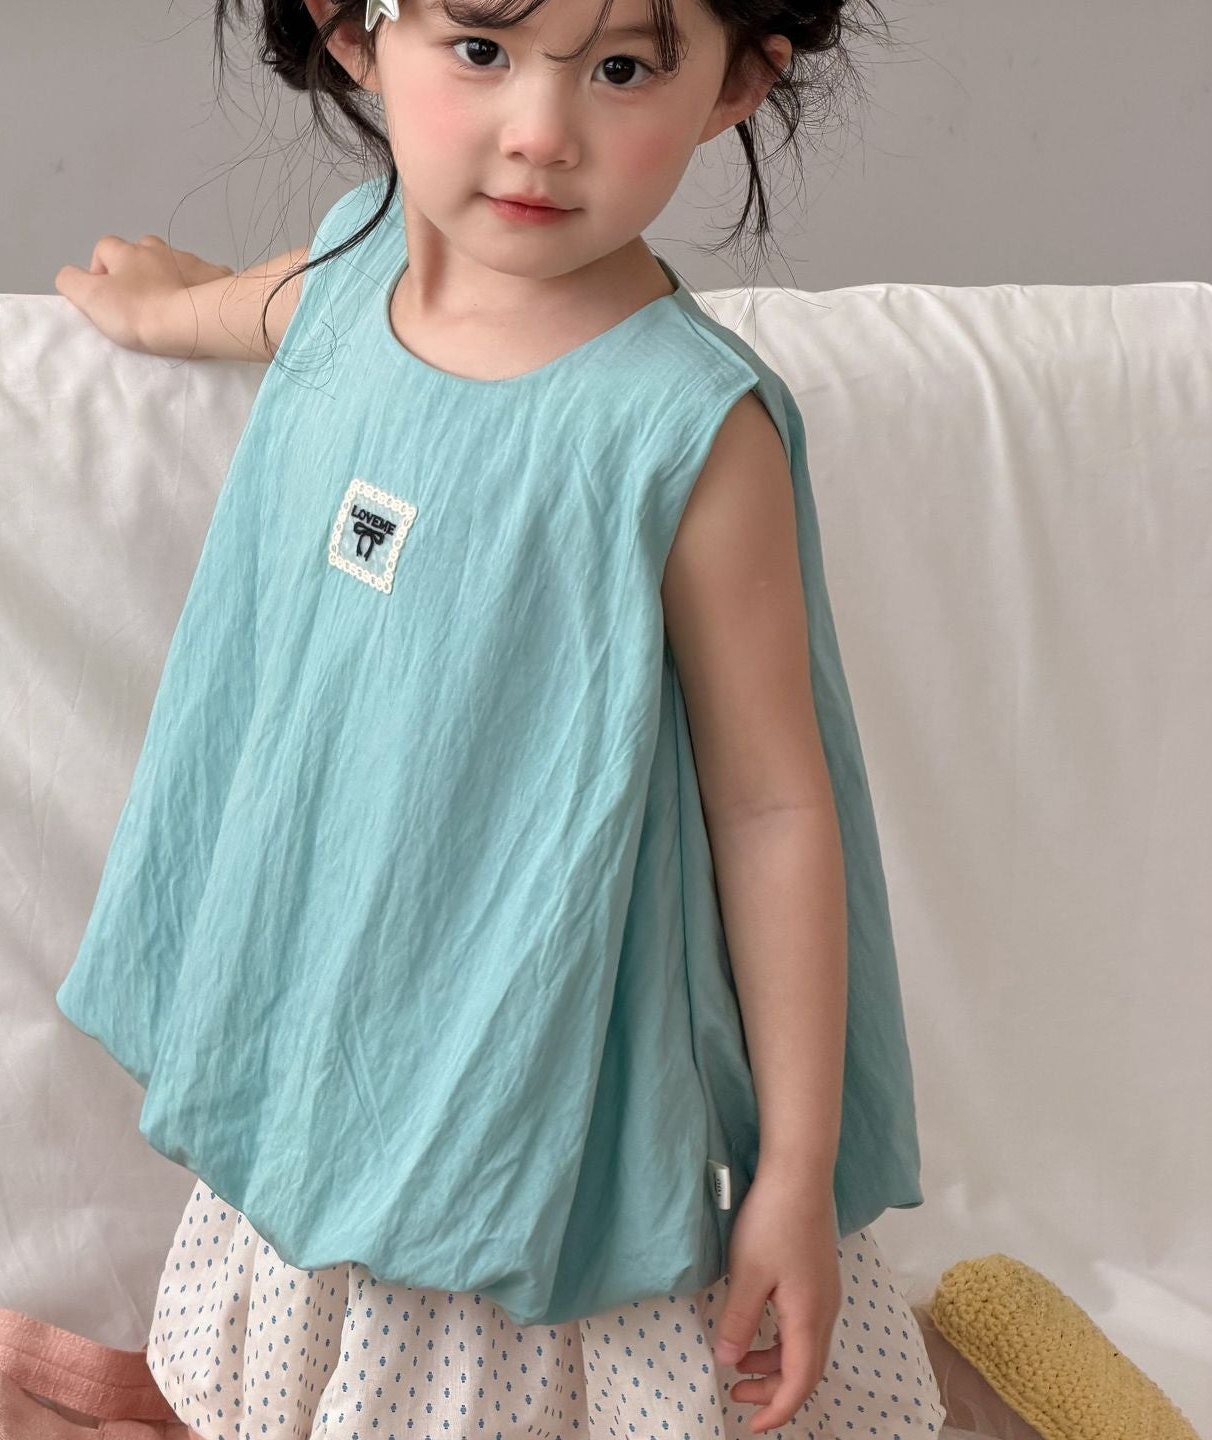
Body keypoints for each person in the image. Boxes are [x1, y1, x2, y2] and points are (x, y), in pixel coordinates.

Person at [52, 0, 949, 1434]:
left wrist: (792, 1167)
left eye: (622, 68)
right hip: (341, 1000)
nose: (541, 133)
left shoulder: (684, 428)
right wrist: (169, 310)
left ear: (737, 83)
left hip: (549, 1058)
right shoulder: (356, 266)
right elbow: (287, 301)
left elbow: (774, 805)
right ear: (358, 33)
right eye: (480, 49)